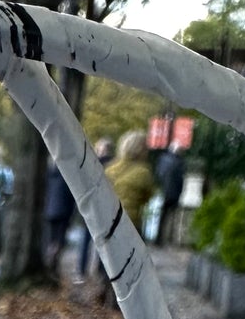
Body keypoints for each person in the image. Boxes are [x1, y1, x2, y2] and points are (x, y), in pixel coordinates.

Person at [99, 130, 157, 305]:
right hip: (130, 221)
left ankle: (105, 287)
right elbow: (148, 196)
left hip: (107, 220)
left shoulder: (110, 169)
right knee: (129, 262)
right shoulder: (144, 173)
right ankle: (122, 300)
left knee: (108, 257)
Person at [76, 136, 113, 280]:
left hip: (91, 208)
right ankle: (99, 270)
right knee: (102, 243)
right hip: (103, 209)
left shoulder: (91, 164)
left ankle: (82, 269)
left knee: (86, 241)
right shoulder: (113, 166)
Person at [44, 157, 76, 275]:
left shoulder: (50, 173)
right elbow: (71, 198)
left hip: (50, 211)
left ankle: (51, 260)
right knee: (59, 241)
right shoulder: (67, 176)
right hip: (63, 212)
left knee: (51, 239)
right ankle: (53, 261)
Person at [155, 144, 186, 246]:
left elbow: (159, 174)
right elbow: (181, 181)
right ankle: (168, 240)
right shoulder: (179, 163)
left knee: (161, 217)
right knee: (171, 218)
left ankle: (158, 239)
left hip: (163, 192)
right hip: (174, 194)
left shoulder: (163, 159)